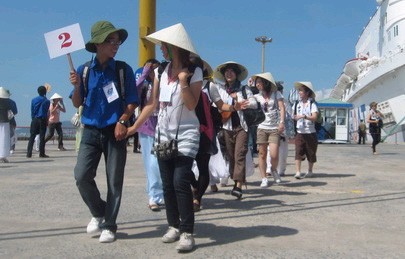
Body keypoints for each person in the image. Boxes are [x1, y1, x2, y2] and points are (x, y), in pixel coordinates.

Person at [127, 23, 202, 252]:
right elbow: (152, 104)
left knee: (180, 181)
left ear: (176, 47)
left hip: (187, 133)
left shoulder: (195, 72)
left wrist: (182, 82)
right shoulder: (160, 71)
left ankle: (187, 231)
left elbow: (192, 104)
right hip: (163, 134)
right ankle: (173, 225)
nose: (161, 50)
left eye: (165, 46)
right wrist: (132, 129)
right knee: (167, 183)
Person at [69, 20, 138, 243]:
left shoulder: (122, 69)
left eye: (117, 41)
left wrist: (122, 120)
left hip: (114, 131)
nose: (115, 45)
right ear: (97, 43)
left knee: (114, 180)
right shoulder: (84, 70)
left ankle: (110, 225)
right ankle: (100, 212)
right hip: (90, 130)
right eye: (110, 41)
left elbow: (132, 101)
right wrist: (77, 85)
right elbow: (77, 102)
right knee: (81, 176)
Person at [212, 61, 255, 199]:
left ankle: (238, 185)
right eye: (227, 71)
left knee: (239, 155)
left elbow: (254, 103)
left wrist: (239, 98)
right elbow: (215, 104)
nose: (229, 73)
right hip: (226, 127)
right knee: (230, 157)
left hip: (242, 127)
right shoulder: (220, 89)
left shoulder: (244, 89)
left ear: (236, 74)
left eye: (232, 71)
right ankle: (235, 177)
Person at [134, 58, 164, 211]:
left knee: (158, 163)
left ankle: (158, 193)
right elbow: (134, 91)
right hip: (146, 128)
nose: (154, 73)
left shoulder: (163, 83)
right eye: (152, 70)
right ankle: (153, 195)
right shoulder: (144, 84)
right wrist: (144, 72)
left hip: (163, 127)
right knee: (150, 164)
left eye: (156, 70)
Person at [252, 72, 285, 188]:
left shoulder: (277, 94)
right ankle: (264, 178)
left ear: (266, 83)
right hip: (261, 127)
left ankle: (273, 169)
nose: (257, 84)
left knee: (274, 154)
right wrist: (250, 86)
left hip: (274, 128)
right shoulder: (256, 96)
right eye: (256, 82)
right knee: (262, 154)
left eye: (259, 82)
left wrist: (281, 122)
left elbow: (282, 108)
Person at [292, 81, 319, 179]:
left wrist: (303, 116)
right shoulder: (296, 104)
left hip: (310, 132)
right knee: (298, 151)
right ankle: (298, 172)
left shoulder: (312, 104)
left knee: (311, 152)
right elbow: (292, 115)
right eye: (299, 91)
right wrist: (294, 117)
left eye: (301, 91)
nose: (299, 92)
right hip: (300, 132)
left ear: (307, 93)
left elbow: (315, 117)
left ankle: (310, 170)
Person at [26, 86, 50, 158]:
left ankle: (28, 153)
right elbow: (45, 111)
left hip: (34, 119)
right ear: (45, 92)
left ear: (38, 92)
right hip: (42, 119)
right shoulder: (47, 101)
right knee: (42, 137)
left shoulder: (33, 100)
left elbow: (32, 110)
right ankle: (41, 153)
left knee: (32, 137)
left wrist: (33, 118)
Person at [0, 87, 12, 163]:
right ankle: (2, 155)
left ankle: (2, 155)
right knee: (4, 138)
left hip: (4, 121)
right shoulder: (7, 102)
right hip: (5, 121)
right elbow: (11, 112)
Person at [7, 89, 18, 154]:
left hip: (2, 121)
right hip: (11, 120)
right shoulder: (12, 102)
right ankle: (12, 148)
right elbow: (15, 112)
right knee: (12, 135)